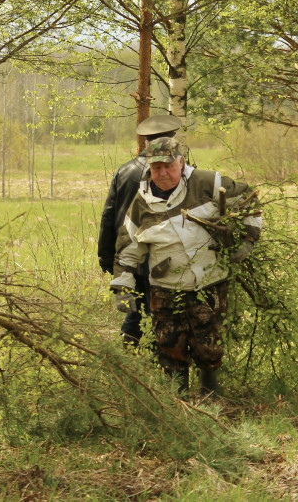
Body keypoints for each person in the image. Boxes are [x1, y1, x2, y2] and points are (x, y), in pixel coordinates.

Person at [109, 137, 261, 398]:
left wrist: (248, 240)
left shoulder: (207, 182)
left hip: (210, 284)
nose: (163, 173)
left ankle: (210, 399)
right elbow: (127, 248)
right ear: (149, 168)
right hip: (165, 289)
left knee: (209, 347)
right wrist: (123, 288)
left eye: (168, 166)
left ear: (181, 162)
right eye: (156, 168)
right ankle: (178, 404)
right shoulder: (141, 203)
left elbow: (249, 200)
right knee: (168, 347)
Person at [98, 114, 184, 346]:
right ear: (172, 139)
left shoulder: (125, 170)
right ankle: (152, 352)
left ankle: (130, 348)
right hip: (160, 255)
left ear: (146, 140)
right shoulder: (176, 173)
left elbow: (109, 216)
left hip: (126, 254)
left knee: (136, 307)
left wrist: (106, 256)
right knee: (159, 310)